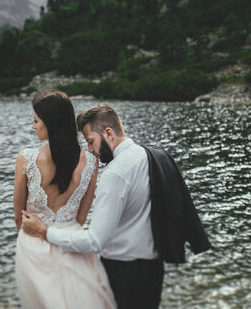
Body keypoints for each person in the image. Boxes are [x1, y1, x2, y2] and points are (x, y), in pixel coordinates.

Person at [22, 103, 164, 308]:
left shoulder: (115, 174)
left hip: (124, 273)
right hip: (153, 269)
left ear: (108, 133)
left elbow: (95, 241)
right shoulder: (145, 155)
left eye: (91, 141)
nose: (89, 150)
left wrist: (44, 232)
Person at [13, 92, 115, 309]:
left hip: (32, 247)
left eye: (35, 120)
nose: (33, 126)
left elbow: (19, 217)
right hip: (73, 242)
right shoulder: (90, 161)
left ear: (49, 123)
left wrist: (30, 237)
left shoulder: (26, 159)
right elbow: (81, 216)